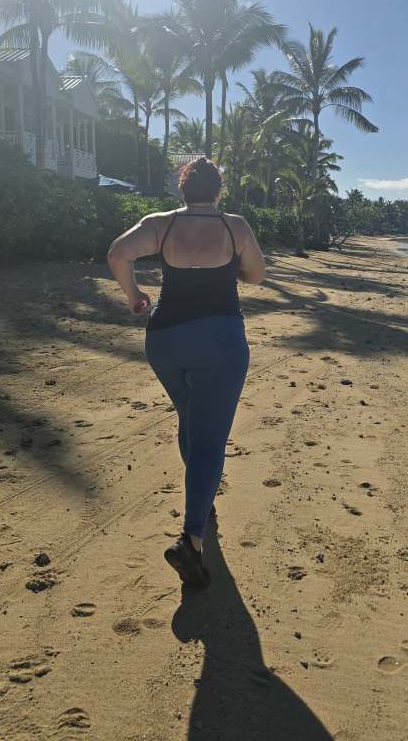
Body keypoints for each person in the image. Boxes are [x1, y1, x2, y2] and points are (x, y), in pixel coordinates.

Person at [106, 158, 265, 588]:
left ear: (182, 189)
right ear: (218, 191)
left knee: (190, 417)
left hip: (166, 340)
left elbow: (118, 254)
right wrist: (232, 267)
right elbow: (257, 275)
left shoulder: (162, 224)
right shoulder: (235, 226)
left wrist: (134, 295)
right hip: (220, 341)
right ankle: (192, 540)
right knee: (210, 439)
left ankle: (202, 500)